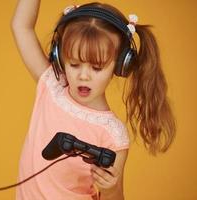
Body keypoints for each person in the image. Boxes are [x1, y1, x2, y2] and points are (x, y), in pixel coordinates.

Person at [11, 1, 176, 200]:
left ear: (120, 66)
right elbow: (21, 26)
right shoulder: (52, 86)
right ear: (59, 56)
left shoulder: (112, 135)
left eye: (96, 68)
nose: (83, 76)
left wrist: (110, 189)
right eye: (74, 64)